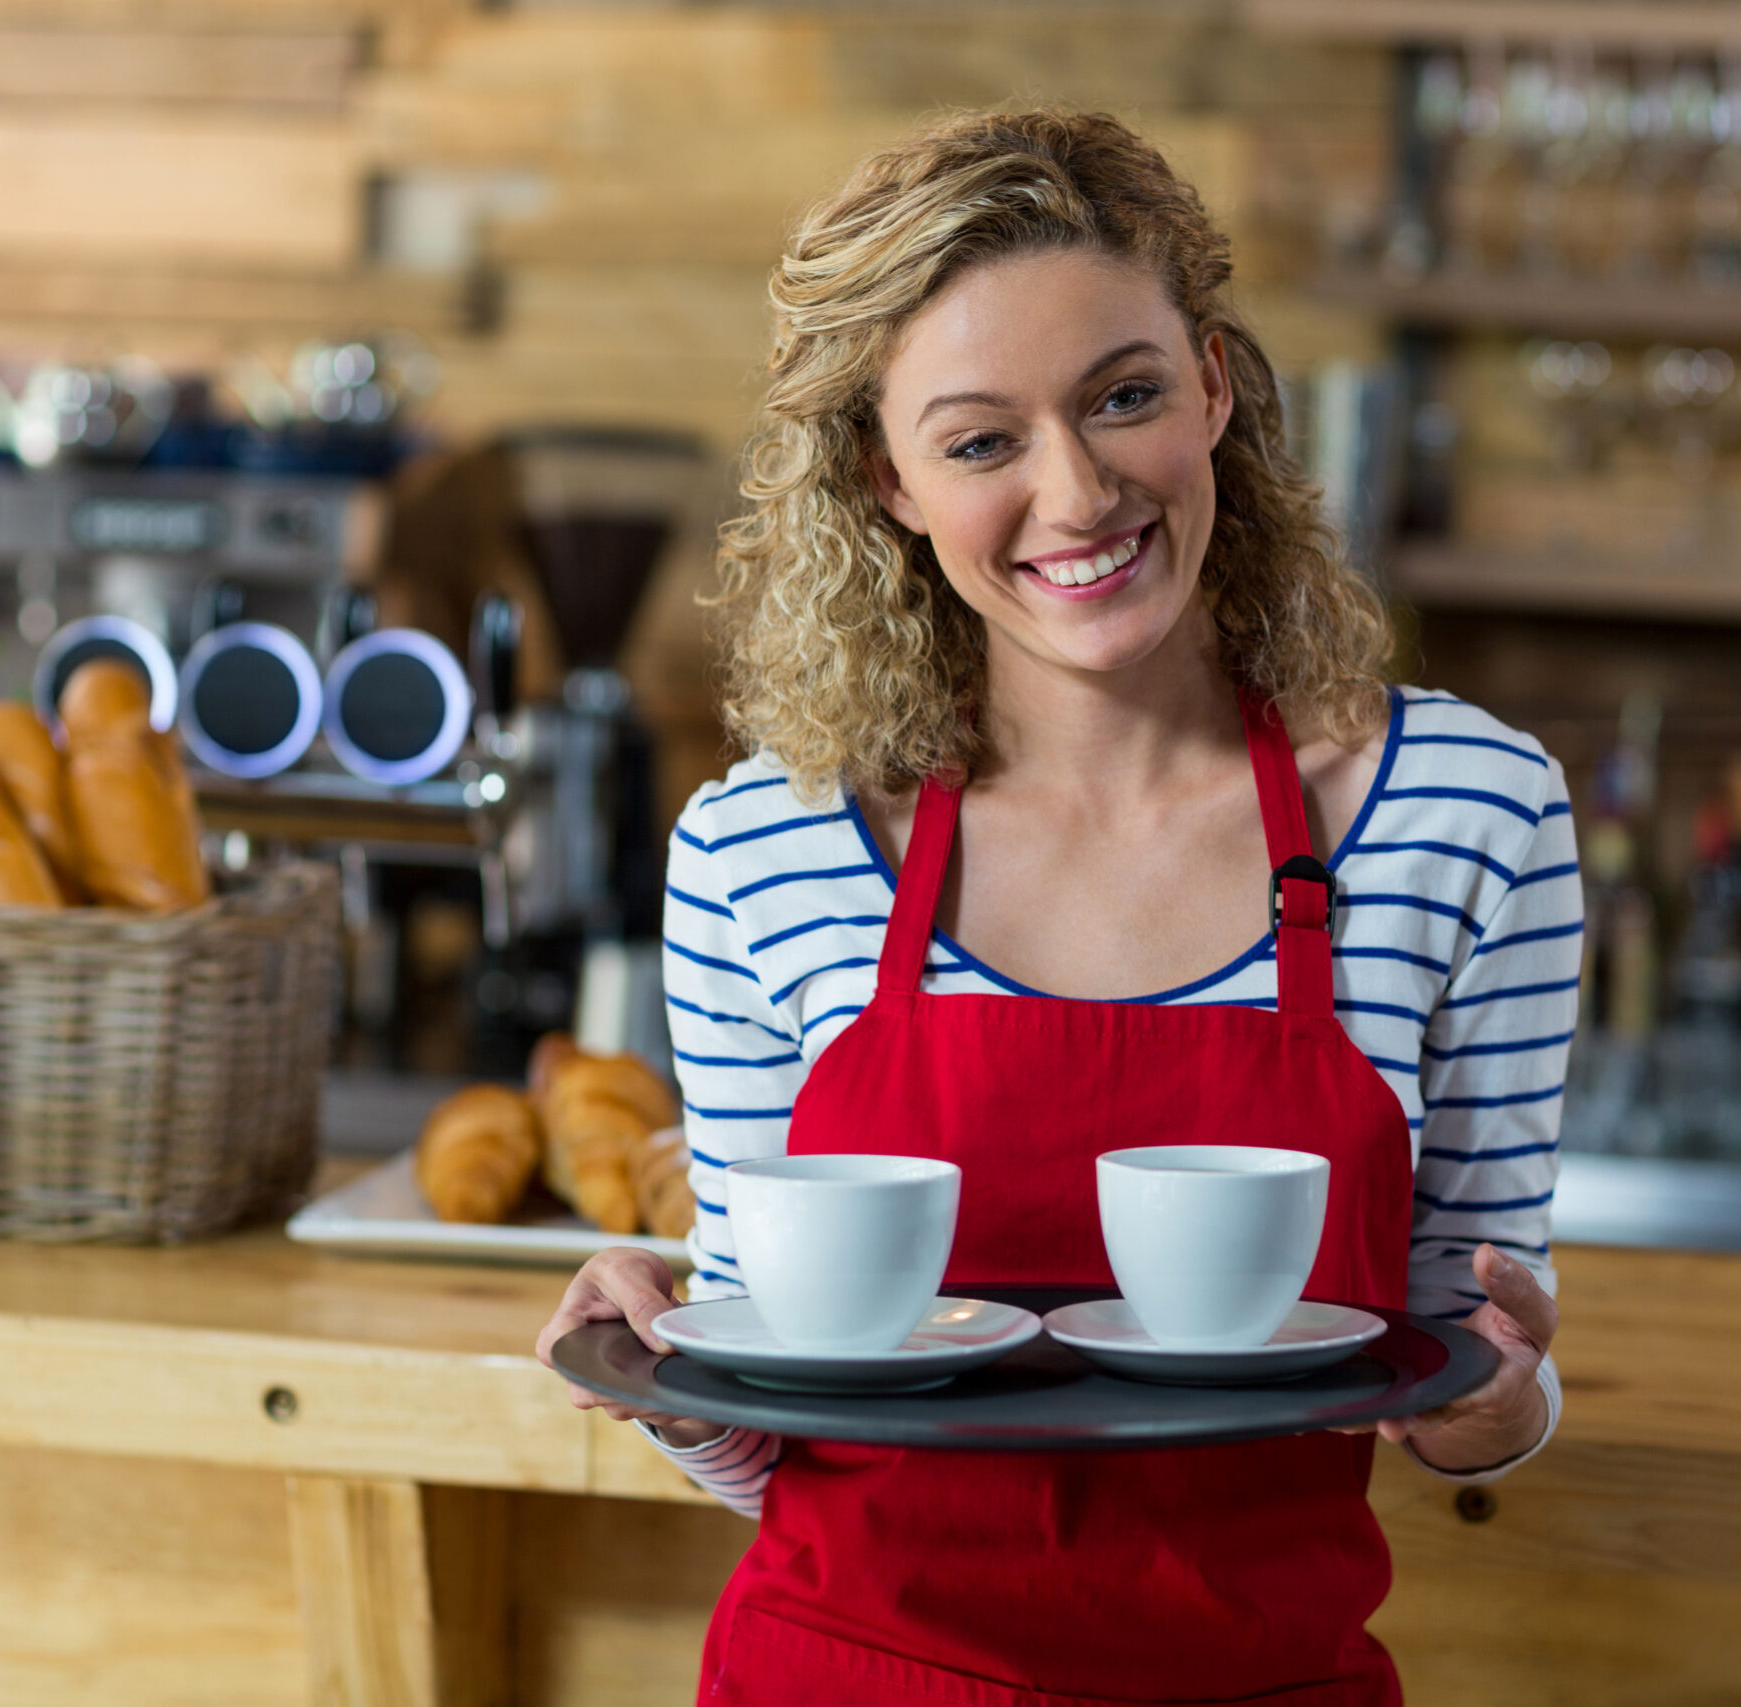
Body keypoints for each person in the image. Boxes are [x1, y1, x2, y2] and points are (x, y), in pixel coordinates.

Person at [536, 108, 1577, 1706]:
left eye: (1126, 397)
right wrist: (669, 1382)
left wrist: (1508, 1404)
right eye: (979, 442)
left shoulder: (1467, 817)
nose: (1079, 493)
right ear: (887, 480)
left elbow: (1462, 1363)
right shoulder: (765, 851)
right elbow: (783, 1433)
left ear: (1213, 385)